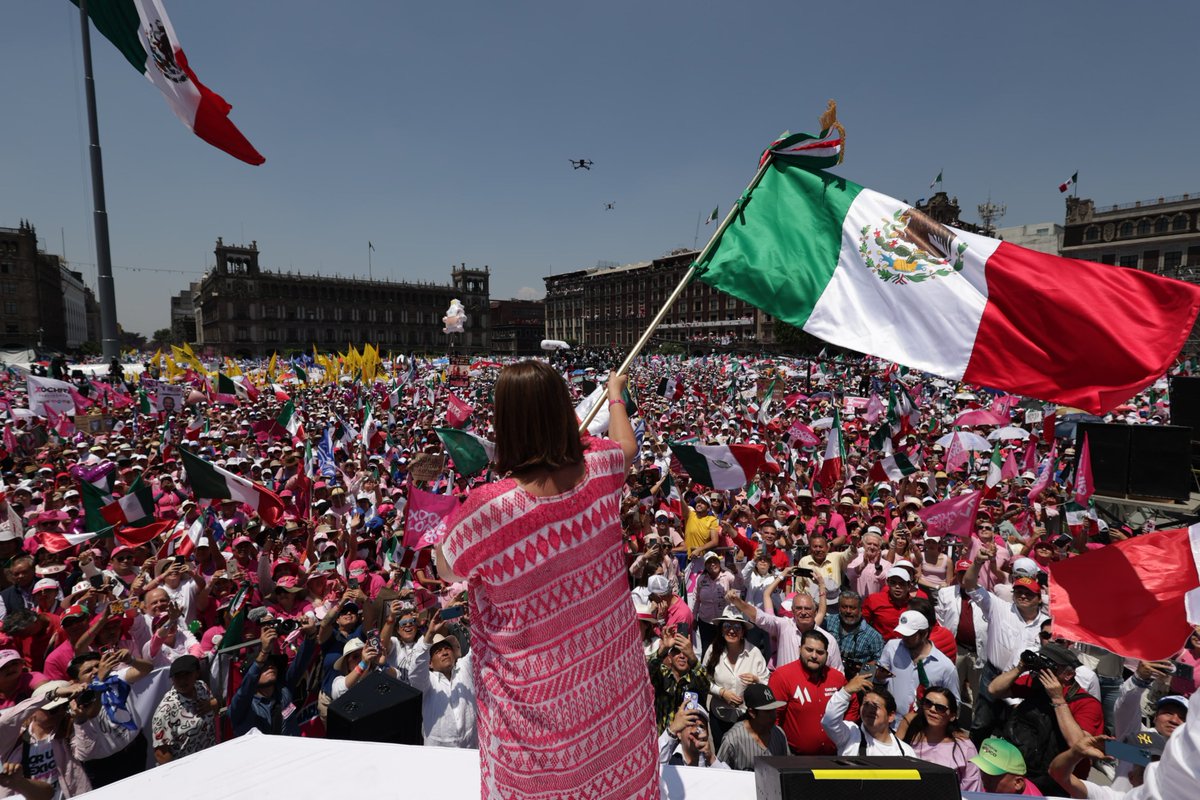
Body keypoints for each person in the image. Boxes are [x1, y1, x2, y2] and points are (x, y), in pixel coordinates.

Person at [437, 360, 659, 799]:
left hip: (536, 723)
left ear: (506, 424)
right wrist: (615, 392)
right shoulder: (601, 469)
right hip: (613, 696)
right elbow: (626, 446)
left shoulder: (489, 510)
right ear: (564, 411)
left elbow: (447, 568)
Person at [988, 642, 1103, 794]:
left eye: (1050, 665)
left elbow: (1079, 744)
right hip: (1022, 769)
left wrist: (1058, 700)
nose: (1043, 670)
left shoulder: (1087, 703)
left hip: (1059, 783)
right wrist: (1020, 668)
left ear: (1068, 675)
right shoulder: (1036, 683)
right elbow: (994, 689)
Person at [0, 680, 91, 798]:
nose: (60, 712)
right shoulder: (15, 739)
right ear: (33, 711)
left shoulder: (69, 728)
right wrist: (53, 694)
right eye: (52, 709)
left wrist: (81, 721)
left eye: (64, 706)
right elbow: (5, 722)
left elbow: (86, 754)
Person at [229, 620, 318, 737]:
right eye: (264, 666)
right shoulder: (242, 706)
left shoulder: (284, 690)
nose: (270, 666)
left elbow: (300, 663)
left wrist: (311, 634)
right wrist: (264, 652)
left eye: (272, 664)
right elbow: (246, 687)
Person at [768, 630, 846, 755]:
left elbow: (852, 706)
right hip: (795, 758)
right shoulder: (782, 676)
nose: (814, 656)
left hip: (833, 757)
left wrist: (844, 734)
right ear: (800, 649)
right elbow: (772, 718)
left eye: (820, 652)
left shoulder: (837, 678)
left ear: (827, 654)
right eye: (809, 650)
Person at [700, 605, 767, 751]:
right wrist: (721, 692)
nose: (731, 630)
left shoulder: (754, 653)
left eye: (737, 626)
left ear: (743, 632)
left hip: (746, 719)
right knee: (721, 753)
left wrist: (757, 681)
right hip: (719, 716)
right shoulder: (713, 650)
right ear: (721, 630)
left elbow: (767, 683)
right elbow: (703, 680)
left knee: (743, 755)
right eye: (727, 626)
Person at [897, 685, 983, 792]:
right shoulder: (910, 735)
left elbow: (972, 787)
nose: (932, 710)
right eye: (928, 703)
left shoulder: (965, 747)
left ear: (952, 716)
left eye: (940, 708)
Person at [879, 609, 960, 718]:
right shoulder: (892, 647)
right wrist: (878, 676)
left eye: (909, 635)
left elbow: (954, 704)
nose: (904, 638)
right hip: (890, 723)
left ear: (924, 633)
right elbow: (880, 677)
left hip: (922, 729)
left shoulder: (946, 667)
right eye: (902, 633)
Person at [821, 671, 915, 756]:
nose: (869, 710)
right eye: (865, 704)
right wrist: (846, 692)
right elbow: (829, 721)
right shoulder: (851, 734)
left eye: (875, 706)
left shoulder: (905, 752)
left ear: (890, 716)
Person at [151, 654, 218, 765]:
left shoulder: (201, 687)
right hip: (186, 768)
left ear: (197, 673)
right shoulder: (165, 711)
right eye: (177, 676)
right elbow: (161, 755)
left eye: (187, 674)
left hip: (209, 758)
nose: (182, 680)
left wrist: (213, 704)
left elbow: (215, 711)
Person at [715, 683, 789, 769]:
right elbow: (719, 773)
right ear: (752, 713)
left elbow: (787, 767)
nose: (773, 716)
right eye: (767, 711)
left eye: (774, 710)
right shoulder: (732, 739)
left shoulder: (779, 733)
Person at [821, 590, 884, 677]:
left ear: (861, 610)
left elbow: (880, 661)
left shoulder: (873, 636)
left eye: (852, 608)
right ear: (839, 608)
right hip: (827, 674)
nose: (848, 611)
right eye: (844, 607)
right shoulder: (828, 622)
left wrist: (862, 670)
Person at [657, 700, 727, 769]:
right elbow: (653, 765)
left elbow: (728, 779)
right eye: (690, 724)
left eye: (701, 726)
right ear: (679, 733)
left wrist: (711, 759)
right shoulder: (669, 760)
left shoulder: (714, 764)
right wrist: (672, 730)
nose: (695, 731)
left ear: (707, 734)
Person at [971, 735, 1044, 795]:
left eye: (992, 775)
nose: (984, 779)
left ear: (1018, 783)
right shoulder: (993, 790)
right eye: (983, 771)